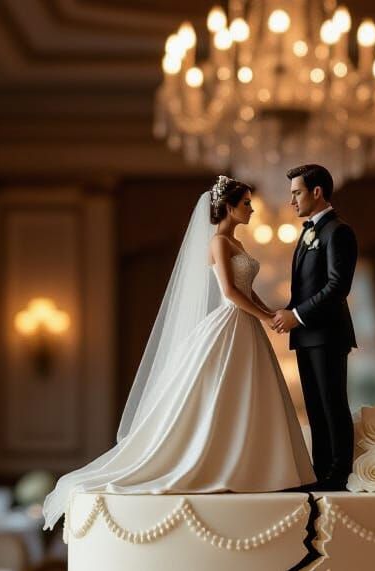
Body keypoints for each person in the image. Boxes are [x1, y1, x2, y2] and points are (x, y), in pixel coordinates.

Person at [42, 176, 315, 529]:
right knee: (219, 393)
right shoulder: (218, 242)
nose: (251, 209)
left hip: (246, 325)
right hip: (231, 323)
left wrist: (270, 313)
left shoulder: (236, 242)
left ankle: (251, 467)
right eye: (246, 203)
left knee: (246, 393)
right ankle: (218, 464)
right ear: (229, 207)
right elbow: (230, 292)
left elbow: (247, 289)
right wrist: (265, 317)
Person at [271, 163, 357, 491]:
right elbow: (306, 287)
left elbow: (338, 286)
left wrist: (297, 315)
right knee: (315, 408)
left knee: (332, 404)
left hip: (327, 334)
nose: (291, 200)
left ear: (317, 192)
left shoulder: (338, 231)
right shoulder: (310, 231)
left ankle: (338, 475)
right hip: (307, 335)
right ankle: (320, 474)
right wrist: (289, 315)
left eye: (297, 193)